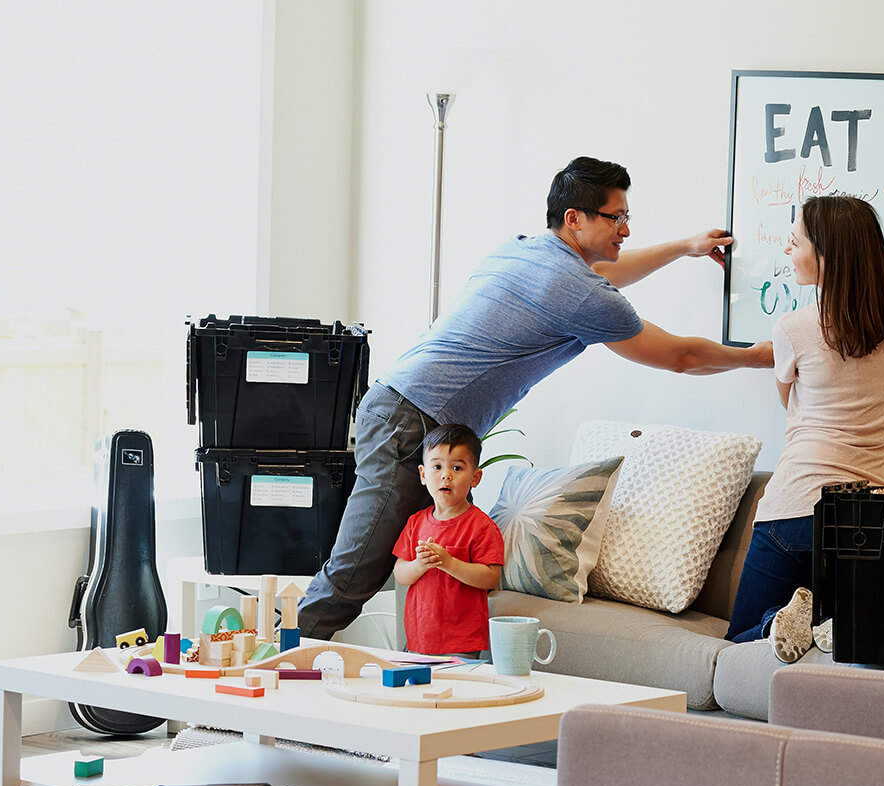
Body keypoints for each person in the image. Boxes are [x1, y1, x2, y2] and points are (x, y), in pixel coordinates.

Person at [298, 156, 774, 639]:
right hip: (413, 422)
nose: (625, 230)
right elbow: (682, 356)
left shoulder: (523, 249)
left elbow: (605, 273)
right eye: (616, 218)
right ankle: (273, 669)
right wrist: (759, 356)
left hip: (397, 406)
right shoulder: (580, 293)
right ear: (575, 219)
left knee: (360, 565)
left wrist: (682, 247)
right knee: (356, 570)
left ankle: (281, 659)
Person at [725, 155, 884, 656]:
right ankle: (823, 626)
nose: (788, 249)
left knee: (735, 643)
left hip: (793, 508)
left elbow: (789, 406)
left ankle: (779, 625)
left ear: (827, 254)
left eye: (796, 241)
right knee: (850, 640)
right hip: (871, 515)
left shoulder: (794, 328)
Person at [392, 424, 503, 656]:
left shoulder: (482, 526)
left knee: (459, 691)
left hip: (462, 642)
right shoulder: (415, 523)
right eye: (437, 466)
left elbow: (491, 577)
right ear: (423, 475)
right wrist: (420, 564)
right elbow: (401, 574)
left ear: (475, 477)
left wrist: (448, 562)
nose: (446, 475)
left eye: (456, 467)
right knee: (415, 690)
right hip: (419, 638)